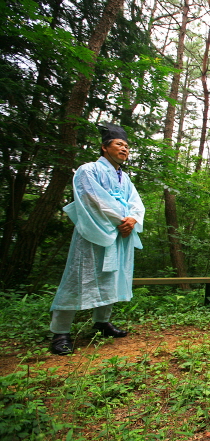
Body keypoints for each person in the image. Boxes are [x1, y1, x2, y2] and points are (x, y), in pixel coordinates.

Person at [48, 123, 145, 355]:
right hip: (95, 232)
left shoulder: (125, 178)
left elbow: (136, 201)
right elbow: (93, 199)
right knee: (78, 277)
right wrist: (120, 220)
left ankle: (102, 322)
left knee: (111, 276)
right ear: (104, 148)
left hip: (120, 233)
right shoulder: (88, 170)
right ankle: (60, 332)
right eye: (119, 144)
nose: (124, 149)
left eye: (127, 146)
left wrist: (132, 218)